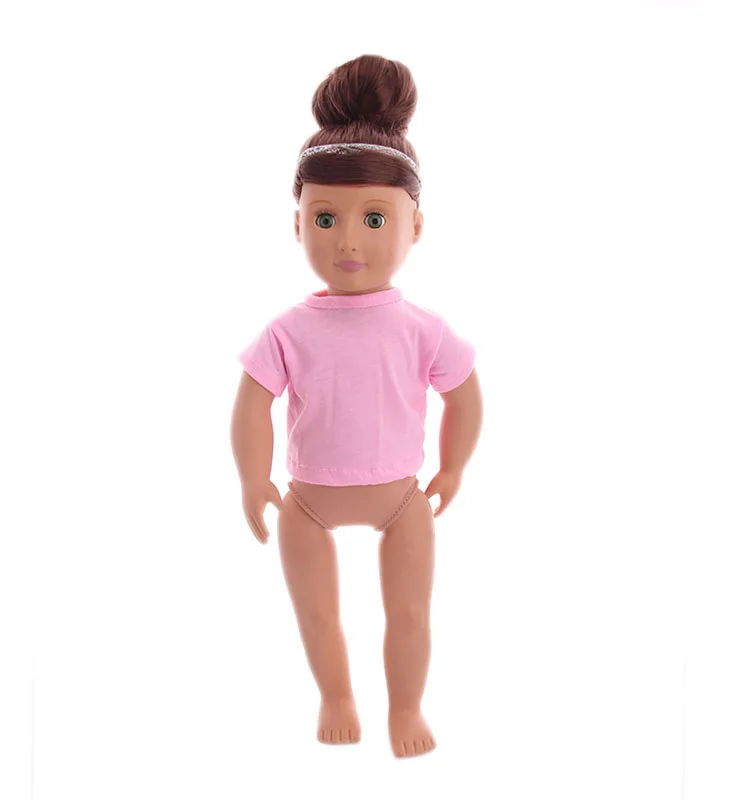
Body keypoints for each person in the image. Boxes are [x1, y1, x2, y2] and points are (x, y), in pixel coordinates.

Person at [230, 54, 483, 758]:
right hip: (307, 504)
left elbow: (464, 393)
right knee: (317, 613)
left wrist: (453, 468)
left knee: (410, 612)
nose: (347, 240)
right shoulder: (288, 331)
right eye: (325, 218)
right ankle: (337, 696)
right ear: (298, 224)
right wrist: (252, 478)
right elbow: (252, 403)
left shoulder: (422, 329)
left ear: (415, 225)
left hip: (402, 501)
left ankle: (406, 708)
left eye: (374, 218)